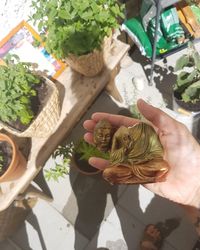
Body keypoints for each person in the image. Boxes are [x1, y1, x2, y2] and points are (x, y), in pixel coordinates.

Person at [83, 99, 200, 249]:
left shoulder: (121, 134)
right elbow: (119, 160)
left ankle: (147, 246)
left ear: (111, 131)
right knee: (109, 172)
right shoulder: (118, 139)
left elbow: (123, 158)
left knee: (120, 171)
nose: (104, 138)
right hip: (143, 165)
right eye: (101, 135)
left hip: (149, 163)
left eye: (105, 134)